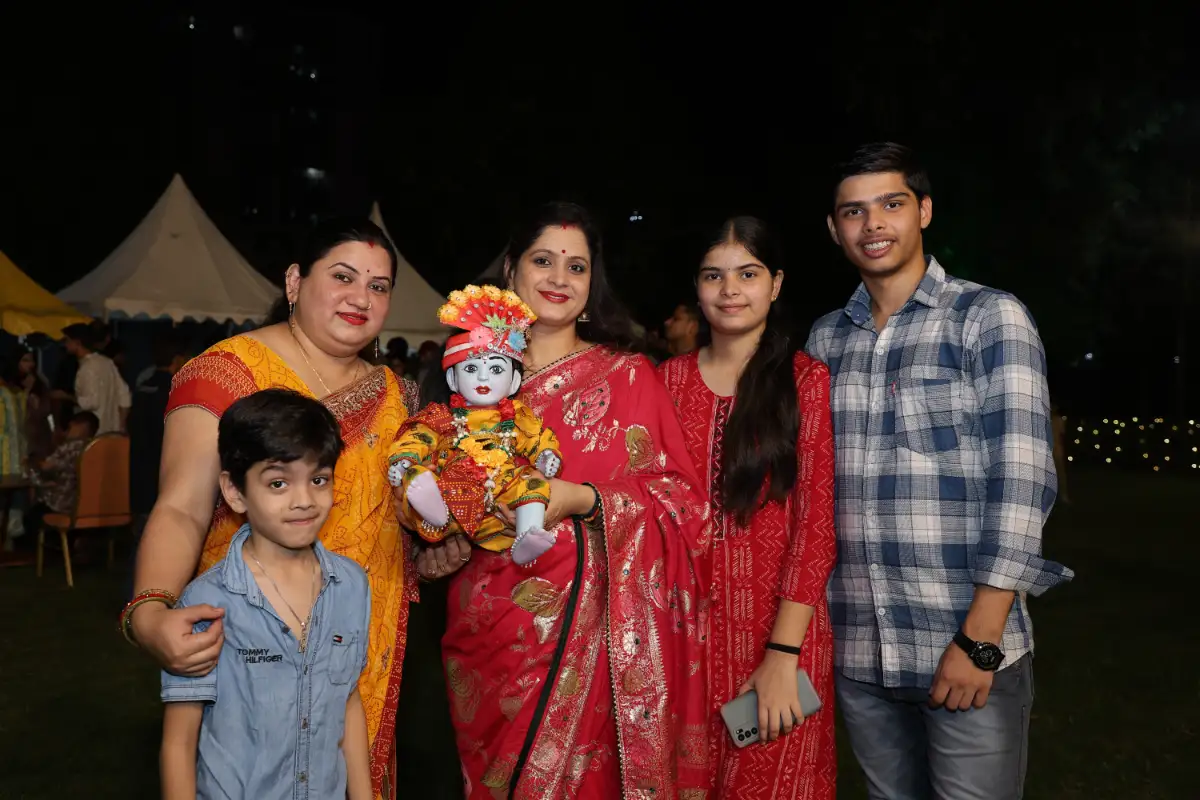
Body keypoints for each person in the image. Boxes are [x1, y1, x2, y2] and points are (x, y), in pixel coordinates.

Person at [415, 202, 712, 798]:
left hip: (599, 637)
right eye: (543, 261)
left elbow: (683, 505)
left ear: (592, 282)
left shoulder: (630, 376)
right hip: (488, 630)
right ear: (510, 269)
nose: (559, 278)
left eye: (576, 267)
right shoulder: (463, 375)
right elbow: (423, 486)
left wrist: (583, 497)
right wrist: (433, 547)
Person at [121, 217, 424, 800]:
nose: (361, 298)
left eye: (379, 286)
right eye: (343, 277)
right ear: (294, 281)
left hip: (361, 636)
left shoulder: (397, 395)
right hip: (249, 637)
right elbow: (182, 507)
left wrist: (437, 546)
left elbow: (394, 518)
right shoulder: (226, 372)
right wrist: (150, 611)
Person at [807, 142, 1074, 800]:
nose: (873, 224)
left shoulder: (987, 317)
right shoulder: (825, 340)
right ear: (834, 229)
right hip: (861, 652)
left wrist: (980, 640)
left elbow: (1023, 483)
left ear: (923, 211)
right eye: (853, 211)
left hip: (964, 645)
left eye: (891, 204)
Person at [659, 216, 837, 798]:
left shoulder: (805, 381)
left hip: (779, 638)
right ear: (697, 286)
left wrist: (783, 655)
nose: (730, 289)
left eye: (748, 273)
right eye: (714, 275)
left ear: (776, 284)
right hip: (681, 643)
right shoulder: (665, 383)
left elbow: (815, 528)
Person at [159, 389, 371, 800]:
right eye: (278, 483)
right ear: (235, 491)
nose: (304, 500)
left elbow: (347, 700)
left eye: (319, 479)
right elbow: (178, 744)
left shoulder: (352, 586)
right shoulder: (207, 603)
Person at [389, 285, 564, 565]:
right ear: (453, 380)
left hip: (501, 496)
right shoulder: (442, 416)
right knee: (416, 475)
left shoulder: (518, 417)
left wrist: (545, 455)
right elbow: (418, 437)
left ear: (514, 382)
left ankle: (528, 534)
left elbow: (537, 438)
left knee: (534, 483)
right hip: (452, 492)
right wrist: (404, 459)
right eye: (471, 368)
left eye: (496, 369)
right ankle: (435, 512)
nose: (483, 378)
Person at [24, 411, 100, 544]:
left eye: (71, 426)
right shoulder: (97, 449)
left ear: (81, 426)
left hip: (63, 507)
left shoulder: (71, 447)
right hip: (90, 509)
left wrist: (30, 461)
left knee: (31, 516)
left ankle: (51, 549)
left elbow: (46, 466)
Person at [56, 323, 131, 434]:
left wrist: (66, 396)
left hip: (93, 433)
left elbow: (91, 402)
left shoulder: (87, 368)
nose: (65, 344)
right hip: (112, 432)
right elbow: (125, 397)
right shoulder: (107, 362)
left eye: (67, 340)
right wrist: (121, 426)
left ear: (77, 343)